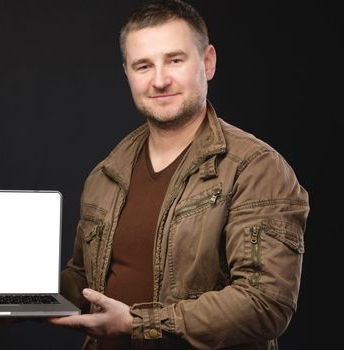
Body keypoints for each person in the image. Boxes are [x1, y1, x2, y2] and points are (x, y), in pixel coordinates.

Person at [49, 0, 309, 349]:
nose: (159, 80)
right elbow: (85, 279)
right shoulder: (106, 173)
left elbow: (265, 304)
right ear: (127, 73)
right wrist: (22, 293)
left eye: (175, 60)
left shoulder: (255, 168)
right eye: (143, 65)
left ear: (208, 62)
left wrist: (137, 323)